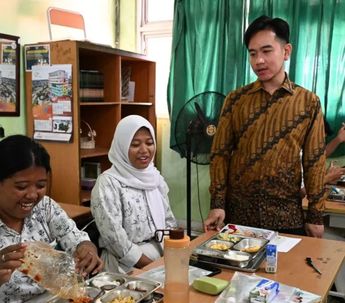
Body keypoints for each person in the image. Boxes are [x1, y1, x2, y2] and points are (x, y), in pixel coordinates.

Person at [204, 16, 326, 238]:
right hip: (238, 216)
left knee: (290, 272)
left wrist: (315, 215)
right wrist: (217, 203)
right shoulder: (235, 100)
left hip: (286, 216)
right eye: (252, 53)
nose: (258, 60)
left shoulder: (308, 102)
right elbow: (220, 154)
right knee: (233, 272)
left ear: (286, 51)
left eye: (266, 51)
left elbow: (314, 162)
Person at [0, 135, 103, 303]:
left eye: (40, 185)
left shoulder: (44, 208)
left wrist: (87, 248)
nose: (32, 195)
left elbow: (75, 237)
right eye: (21, 187)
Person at [91, 115, 177, 273]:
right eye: (135, 144)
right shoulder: (108, 183)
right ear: (122, 147)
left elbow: (169, 223)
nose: (144, 150)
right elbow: (115, 240)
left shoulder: (155, 178)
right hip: (124, 265)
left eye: (150, 143)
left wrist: (176, 257)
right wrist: (153, 268)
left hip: (161, 255)